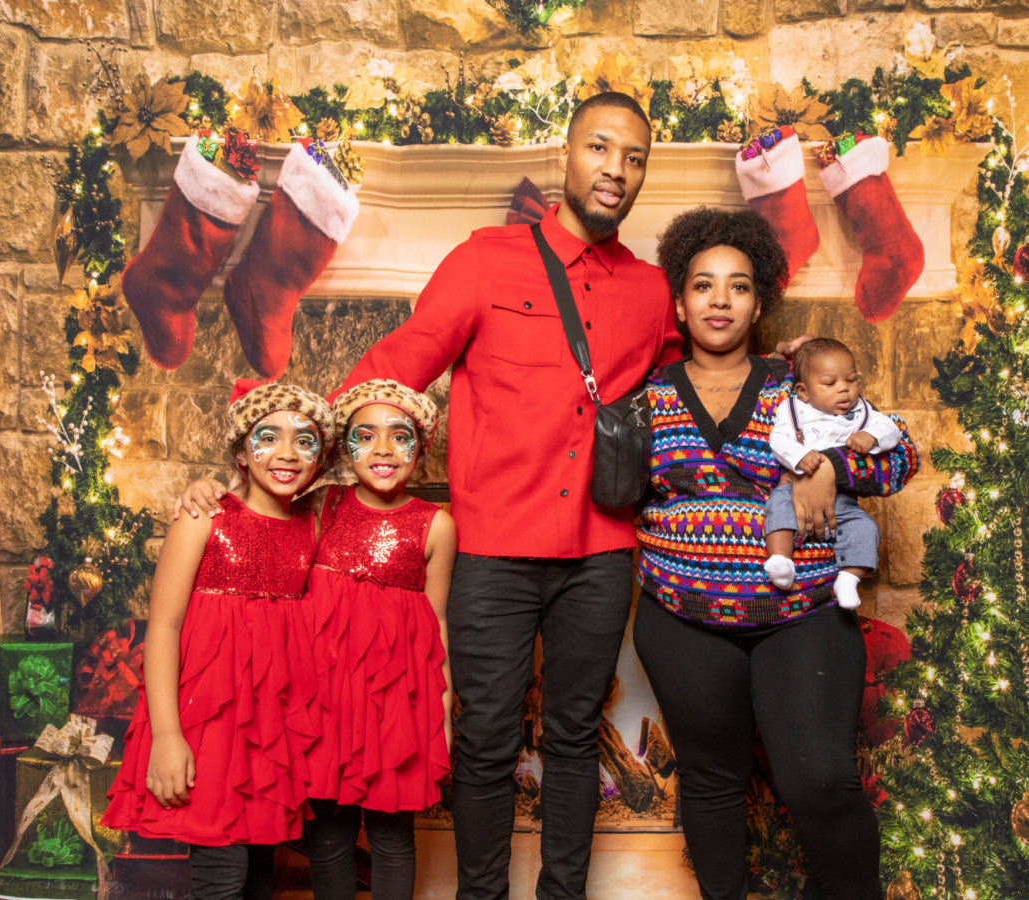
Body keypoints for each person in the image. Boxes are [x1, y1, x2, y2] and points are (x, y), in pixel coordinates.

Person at [173, 92, 810, 900]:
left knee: (573, 739)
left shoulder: (655, 291)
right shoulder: (485, 261)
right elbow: (393, 367)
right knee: (484, 743)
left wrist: (802, 396)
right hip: (492, 552)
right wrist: (274, 460)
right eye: (600, 148)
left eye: (635, 157)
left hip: (601, 553)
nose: (616, 169)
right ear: (567, 155)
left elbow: (706, 376)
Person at [633, 206, 918, 900]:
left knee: (819, 777)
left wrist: (832, 467)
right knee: (711, 781)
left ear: (759, 303)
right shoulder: (649, 396)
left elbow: (899, 456)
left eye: (738, 286)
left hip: (803, 613)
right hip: (682, 618)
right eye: (703, 285)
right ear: (679, 304)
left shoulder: (798, 385)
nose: (720, 300)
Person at [102, 380, 335, 900]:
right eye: (268, 437)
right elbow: (163, 628)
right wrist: (167, 736)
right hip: (207, 725)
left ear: (320, 460)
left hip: (269, 730)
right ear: (240, 453)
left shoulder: (312, 528)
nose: (287, 453)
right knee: (222, 873)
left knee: (259, 870)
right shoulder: (204, 517)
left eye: (304, 441)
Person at [303, 379, 456, 900]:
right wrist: (205, 491)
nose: (383, 449)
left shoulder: (436, 525)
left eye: (400, 436)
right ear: (344, 448)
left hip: (397, 705)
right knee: (329, 834)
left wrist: (442, 713)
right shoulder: (323, 505)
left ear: (421, 447)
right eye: (365, 436)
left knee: (392, 834)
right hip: (327, 699)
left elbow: (437, 626)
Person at [764, 336, 902, 610]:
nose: (844, 389)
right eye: (830, 383)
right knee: (777, 507)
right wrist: (800, 457)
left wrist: (871, 437)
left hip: (843, 502)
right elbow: (778, 440)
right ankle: (781, 560)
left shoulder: (862, 411)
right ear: (803, 392)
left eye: (851, 380)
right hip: (793, 492)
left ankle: (848, 579)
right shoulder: (793, 409)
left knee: (866, 527)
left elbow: (893, 431)